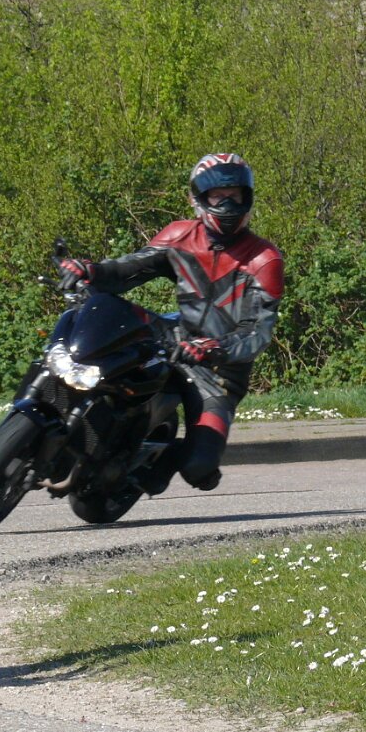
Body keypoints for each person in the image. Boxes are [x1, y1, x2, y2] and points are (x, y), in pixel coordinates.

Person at [56, 152, 284, 494]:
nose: (227, 204)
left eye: (234, 195)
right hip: (172, 339)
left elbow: (258, 332)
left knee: (199, 468)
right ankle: (73, 423)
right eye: (217, 196)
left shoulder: (265, 259)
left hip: (219, 375)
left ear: (247, 199)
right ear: (198, 199)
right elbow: (127, 270)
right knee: (107, 316)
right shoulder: (179, 235)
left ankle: (162, 459)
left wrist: (215, 348)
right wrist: (89, 270)